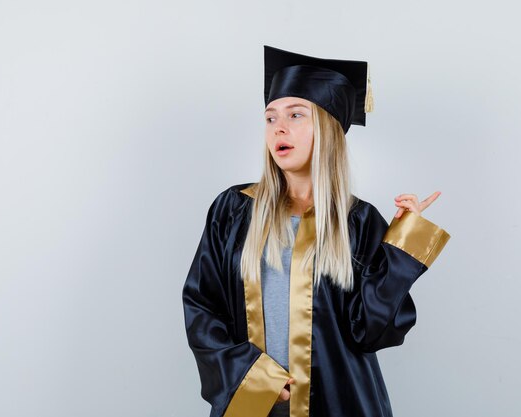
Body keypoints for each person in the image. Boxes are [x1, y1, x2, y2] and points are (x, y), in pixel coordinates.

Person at [182, 45, 450, 417]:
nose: (280, 127)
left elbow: (370, 332)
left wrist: (405, 243)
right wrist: (253, 376)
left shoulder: (358, 221)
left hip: (340, 404)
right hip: (252, 406)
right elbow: (202, 307)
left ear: (327, 128)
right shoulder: (234, 210)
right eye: (270, 117)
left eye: (296, 114)